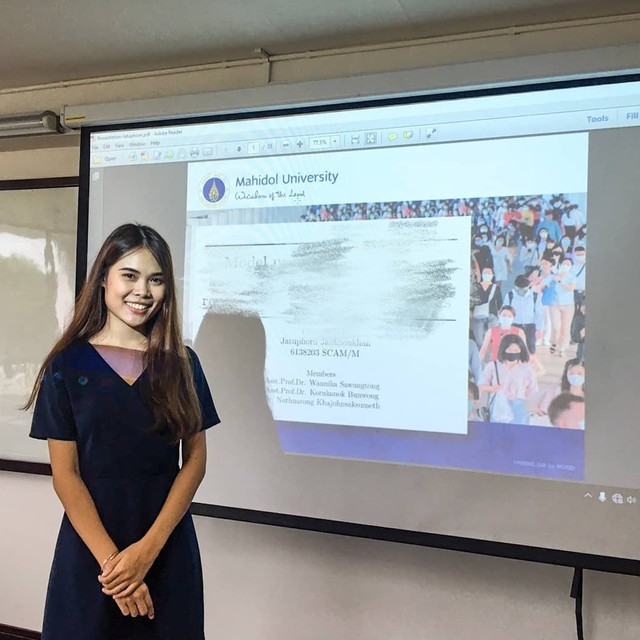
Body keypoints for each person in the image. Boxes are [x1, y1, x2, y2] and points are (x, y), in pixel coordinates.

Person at [26, 224, 220, 639]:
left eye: (156, 280)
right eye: (129, 275)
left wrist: (146, 553)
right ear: (103, 278)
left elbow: (195, 462)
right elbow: (66, 476)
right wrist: (116, 567)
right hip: (92, 552)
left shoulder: (183, 364)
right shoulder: (66, 365)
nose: (142, 291)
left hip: (166, 548)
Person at [478, 334, 539, 425]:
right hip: (498, 408)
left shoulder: (527, 368)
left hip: (520, 409)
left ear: (521, 350)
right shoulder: (493, 366)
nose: (513, 353)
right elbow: (480, 385)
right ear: (503, 349)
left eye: (516, 350)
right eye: (509, 350)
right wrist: (492, 388)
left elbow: (533, 391)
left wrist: (535, 407)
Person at [547, 257, 576, 356]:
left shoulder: (572, 277)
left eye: (568, 264)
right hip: (554, 304)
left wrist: (560, 282)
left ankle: (562, 348)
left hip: (568, 305)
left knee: (565, 327)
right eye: (564, 263)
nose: (565, 266)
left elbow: (571, 288)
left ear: (571, 266)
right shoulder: (554, 275)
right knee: (556, 326)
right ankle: (554, 342)